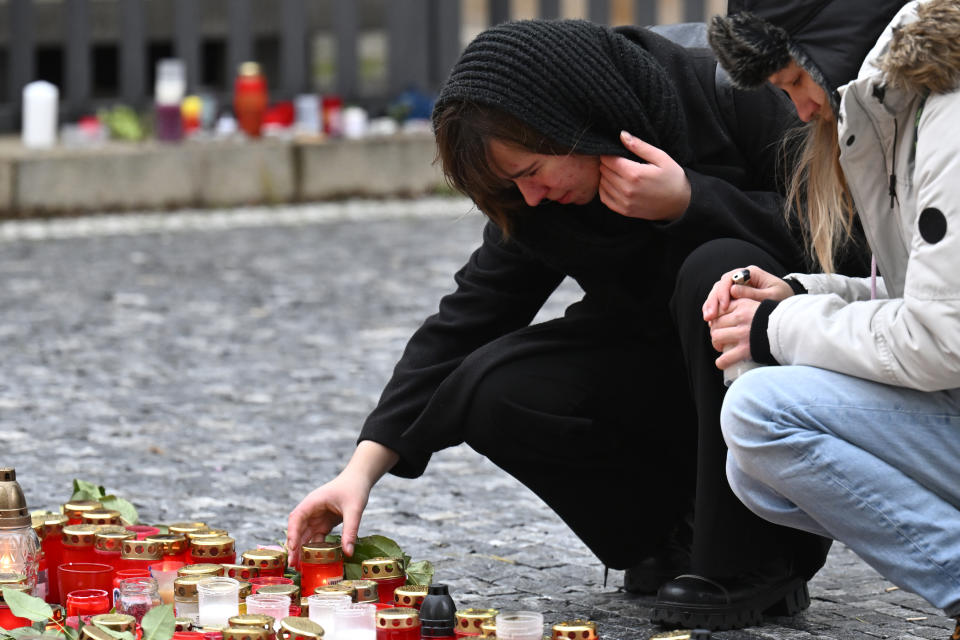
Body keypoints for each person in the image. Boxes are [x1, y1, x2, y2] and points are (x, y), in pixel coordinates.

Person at [286, 18, 861, 631]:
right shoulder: (540, 200)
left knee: (718, 271)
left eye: (532, 170)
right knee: (494, 385)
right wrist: (361, 470)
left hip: (780, 374)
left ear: (576, 121)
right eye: (512, 185)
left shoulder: (729, 94)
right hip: (659, 375)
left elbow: (850, 250)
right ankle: (671, 546)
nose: (529, 197)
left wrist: (692, 201)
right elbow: (470, 315)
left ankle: (753, 561)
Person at [704, 0, 960, 636]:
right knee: (753, 470)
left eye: (794, 80)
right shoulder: (917, 110)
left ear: (839, 47)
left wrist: (778, 330)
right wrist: (797, 293)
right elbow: (927, 300)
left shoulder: (951, 127)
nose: (801, 108)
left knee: (760, 412)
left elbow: (941, 339)